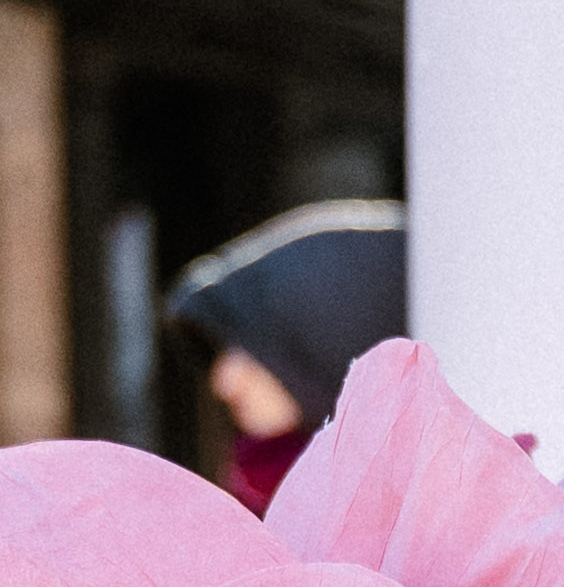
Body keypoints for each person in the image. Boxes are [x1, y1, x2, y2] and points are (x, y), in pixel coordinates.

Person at [159, 203, 408, 510]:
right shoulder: (258, 489)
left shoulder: (430, 519)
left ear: (328, 333)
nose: (222, 383)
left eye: (252, 344)